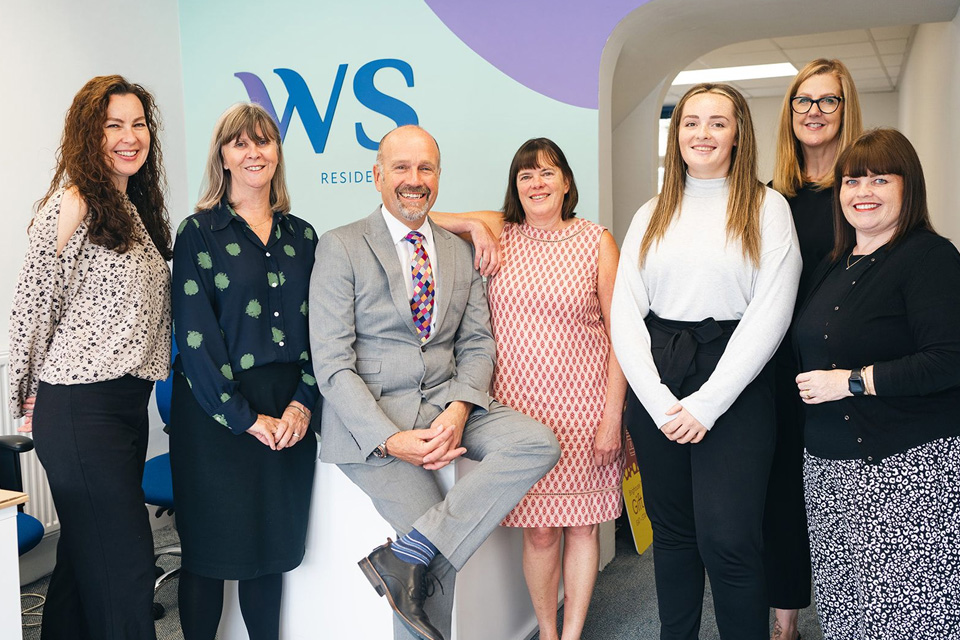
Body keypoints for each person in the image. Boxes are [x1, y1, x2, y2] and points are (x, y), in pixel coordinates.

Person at [309, 124, 560, 640]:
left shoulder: (457, 250)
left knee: (537, 444)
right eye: (401, 167)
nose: (414, 179)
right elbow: (332, 363)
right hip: (373, 423)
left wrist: (460, 409)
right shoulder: (341, 246)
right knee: (432, 556)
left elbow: (476, 344)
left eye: (426, 168)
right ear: (378, 176)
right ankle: (414, 560)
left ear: (438, 176)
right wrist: (388, 437)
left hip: (449, 405)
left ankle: (406, 559)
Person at [610, 83, 801, 639]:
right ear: (677, 134)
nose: (703, 133)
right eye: (691, 122)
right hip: (660, 376)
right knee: (673, 536)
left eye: (718, 122)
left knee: (730, 537)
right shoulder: (652, 212)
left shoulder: (769, 209)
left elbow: (771, 314)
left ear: (738, 132)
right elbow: (625, 312)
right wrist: (659, 401)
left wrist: (709, 403)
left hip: (737, 377)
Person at [430, 137, 626, 640]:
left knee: (582, 527)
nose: (537, 183)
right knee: (540, 531)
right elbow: (419, 218)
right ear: (516, 187)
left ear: (566, 182)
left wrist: (612, 417)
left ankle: (573, 635)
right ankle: (547, 631)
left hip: (585, 407)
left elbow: (623, 335)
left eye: (548, 172)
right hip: (519, 413)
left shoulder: (596, 240)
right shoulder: (501, 229)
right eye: (526, 175)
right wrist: (475, 224)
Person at [8, 75, 172, 640]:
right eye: (113, 126)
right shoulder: (75, 200)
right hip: (81, 410)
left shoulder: (128, 208)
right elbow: (31, 308)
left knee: (84, 562)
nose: (129, 137)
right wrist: (23, 401)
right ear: (88, 133)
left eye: (137, 124)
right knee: (127, 571)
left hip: (123, 409)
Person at [794, 128, 960, 640]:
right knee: (848, 614)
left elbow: (949, 359)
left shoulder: (930, 257)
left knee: (909, 618)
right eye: (852, 181)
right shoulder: (833, 265)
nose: (862, 191)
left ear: (908, 188)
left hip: (905, 473)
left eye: (879, 179)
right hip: (830, 475)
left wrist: (853, 381)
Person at [169, 103, 319, 640]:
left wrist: (302, 403)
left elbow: (322, 336)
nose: (253, 152)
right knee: (209, 556)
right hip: (216, 416)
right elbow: (195, 341)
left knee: (268, 550)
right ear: (223, 157)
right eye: (240, 143)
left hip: (289, 411)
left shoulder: (303, 237)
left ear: (277, 153)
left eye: (264, 141)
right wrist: (247, 419)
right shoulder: (198, 234)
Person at [765, 58, 863, 640]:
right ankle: (785, 624)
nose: (814, 112)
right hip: (777, 366)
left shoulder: (860, 190)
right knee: (781, 494)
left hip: (839, 367)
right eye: (804, 101)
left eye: (828, 101)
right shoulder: (771, 196)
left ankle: (857, 611)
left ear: (846, 110)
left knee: (841, 491)